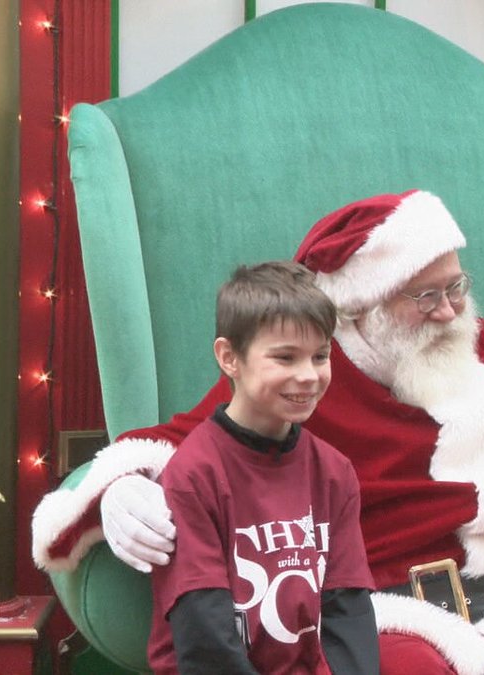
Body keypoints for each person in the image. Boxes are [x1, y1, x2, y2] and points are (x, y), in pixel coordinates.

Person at [33, 190, 484, 675]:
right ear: (364, 309)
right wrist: (120, 486)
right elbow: (192, 442)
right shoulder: (305, 381)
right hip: (395, 619)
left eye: (456, 287)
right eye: (425, 296)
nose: (449, 312)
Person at [148, 261, 377, 674]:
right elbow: (204, 636)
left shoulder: (334, 472)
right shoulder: (193, 474)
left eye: (320, 355)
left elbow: (348, 611)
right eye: (285, 358)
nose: (308, 375)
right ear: (229, 357)